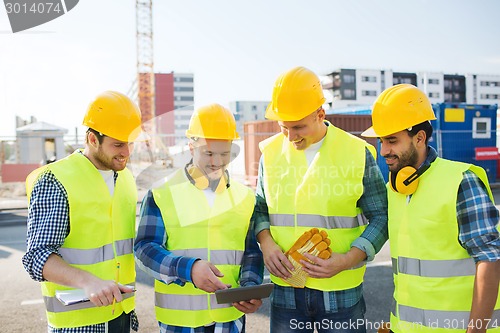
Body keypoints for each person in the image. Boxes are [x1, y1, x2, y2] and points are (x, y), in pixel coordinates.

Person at [254, 66, 388, 333]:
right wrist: (266, 242)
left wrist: (348, 259)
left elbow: (382, 216)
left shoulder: (357, 151)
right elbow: (259, 208)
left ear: (320, 114)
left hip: (340, 290)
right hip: (286, 287)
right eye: (283, 128)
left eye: (298, 127)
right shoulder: (269, 153)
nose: (291, 137)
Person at [358, 84, 500, 333]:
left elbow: (490, 259)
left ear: (420, 137)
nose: (384, 151)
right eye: (381, 141)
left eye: (392, 140)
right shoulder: (395, 189)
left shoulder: (460, 181)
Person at [134, 103, 264, 333]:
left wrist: (250, 287)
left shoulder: (245, 197)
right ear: (191, 148)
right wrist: (188, 269)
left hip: (229, 319)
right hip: (180, 322)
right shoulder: (162, 193)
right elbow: (145, 248)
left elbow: (251, 252)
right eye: (209, 153)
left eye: (224, 153)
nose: (216, 162)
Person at [22, 91, 142, 333]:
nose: (127, 152)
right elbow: (36, 257)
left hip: (121, 313)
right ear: (93, 139)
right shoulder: (56, 180)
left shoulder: (126, 178)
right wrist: (87, 281)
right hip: (77, 324)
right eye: (118, 144)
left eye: (130, 143)